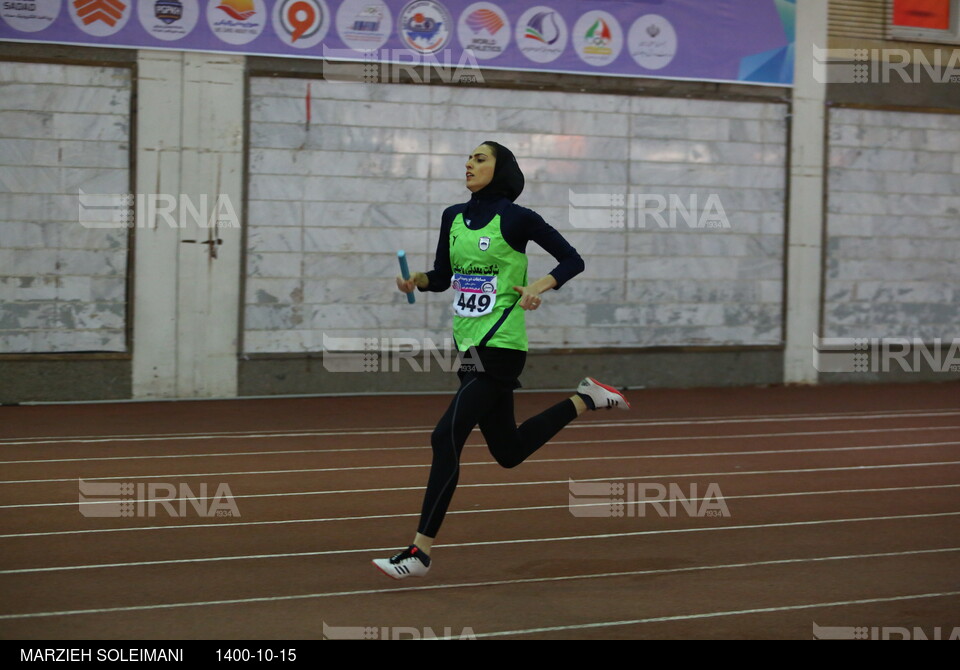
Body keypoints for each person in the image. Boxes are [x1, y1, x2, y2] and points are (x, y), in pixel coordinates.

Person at [373, 141, 630, 580]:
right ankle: (585, 398)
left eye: (480, 158)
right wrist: (418, 279)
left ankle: (419, 552)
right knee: (507, 451)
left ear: (501, 168)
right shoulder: (452, 217)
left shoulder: (517, 218)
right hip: (468, 347)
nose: (469, 163)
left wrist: (538, 287)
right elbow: (443, 276)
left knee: (445, 437)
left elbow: (573, 259)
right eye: (468, 157)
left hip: (502, 345)